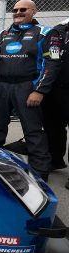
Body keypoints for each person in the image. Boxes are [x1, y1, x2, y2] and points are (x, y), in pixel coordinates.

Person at [0, 0, 62, 181]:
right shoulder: (2, 34)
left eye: (23, 9)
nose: (17, 12)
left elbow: (53, 64)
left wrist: (39, 91)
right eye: (15, 10)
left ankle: (40, 180)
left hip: (27, 88)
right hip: (1, 87)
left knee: (33, 133)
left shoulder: (46, 33)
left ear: (34, 11)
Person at [42, 20, 69, 177]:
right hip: (54, 87)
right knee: (53, 127)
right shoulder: (57, 30)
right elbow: (51, 56)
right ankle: (55, 160)